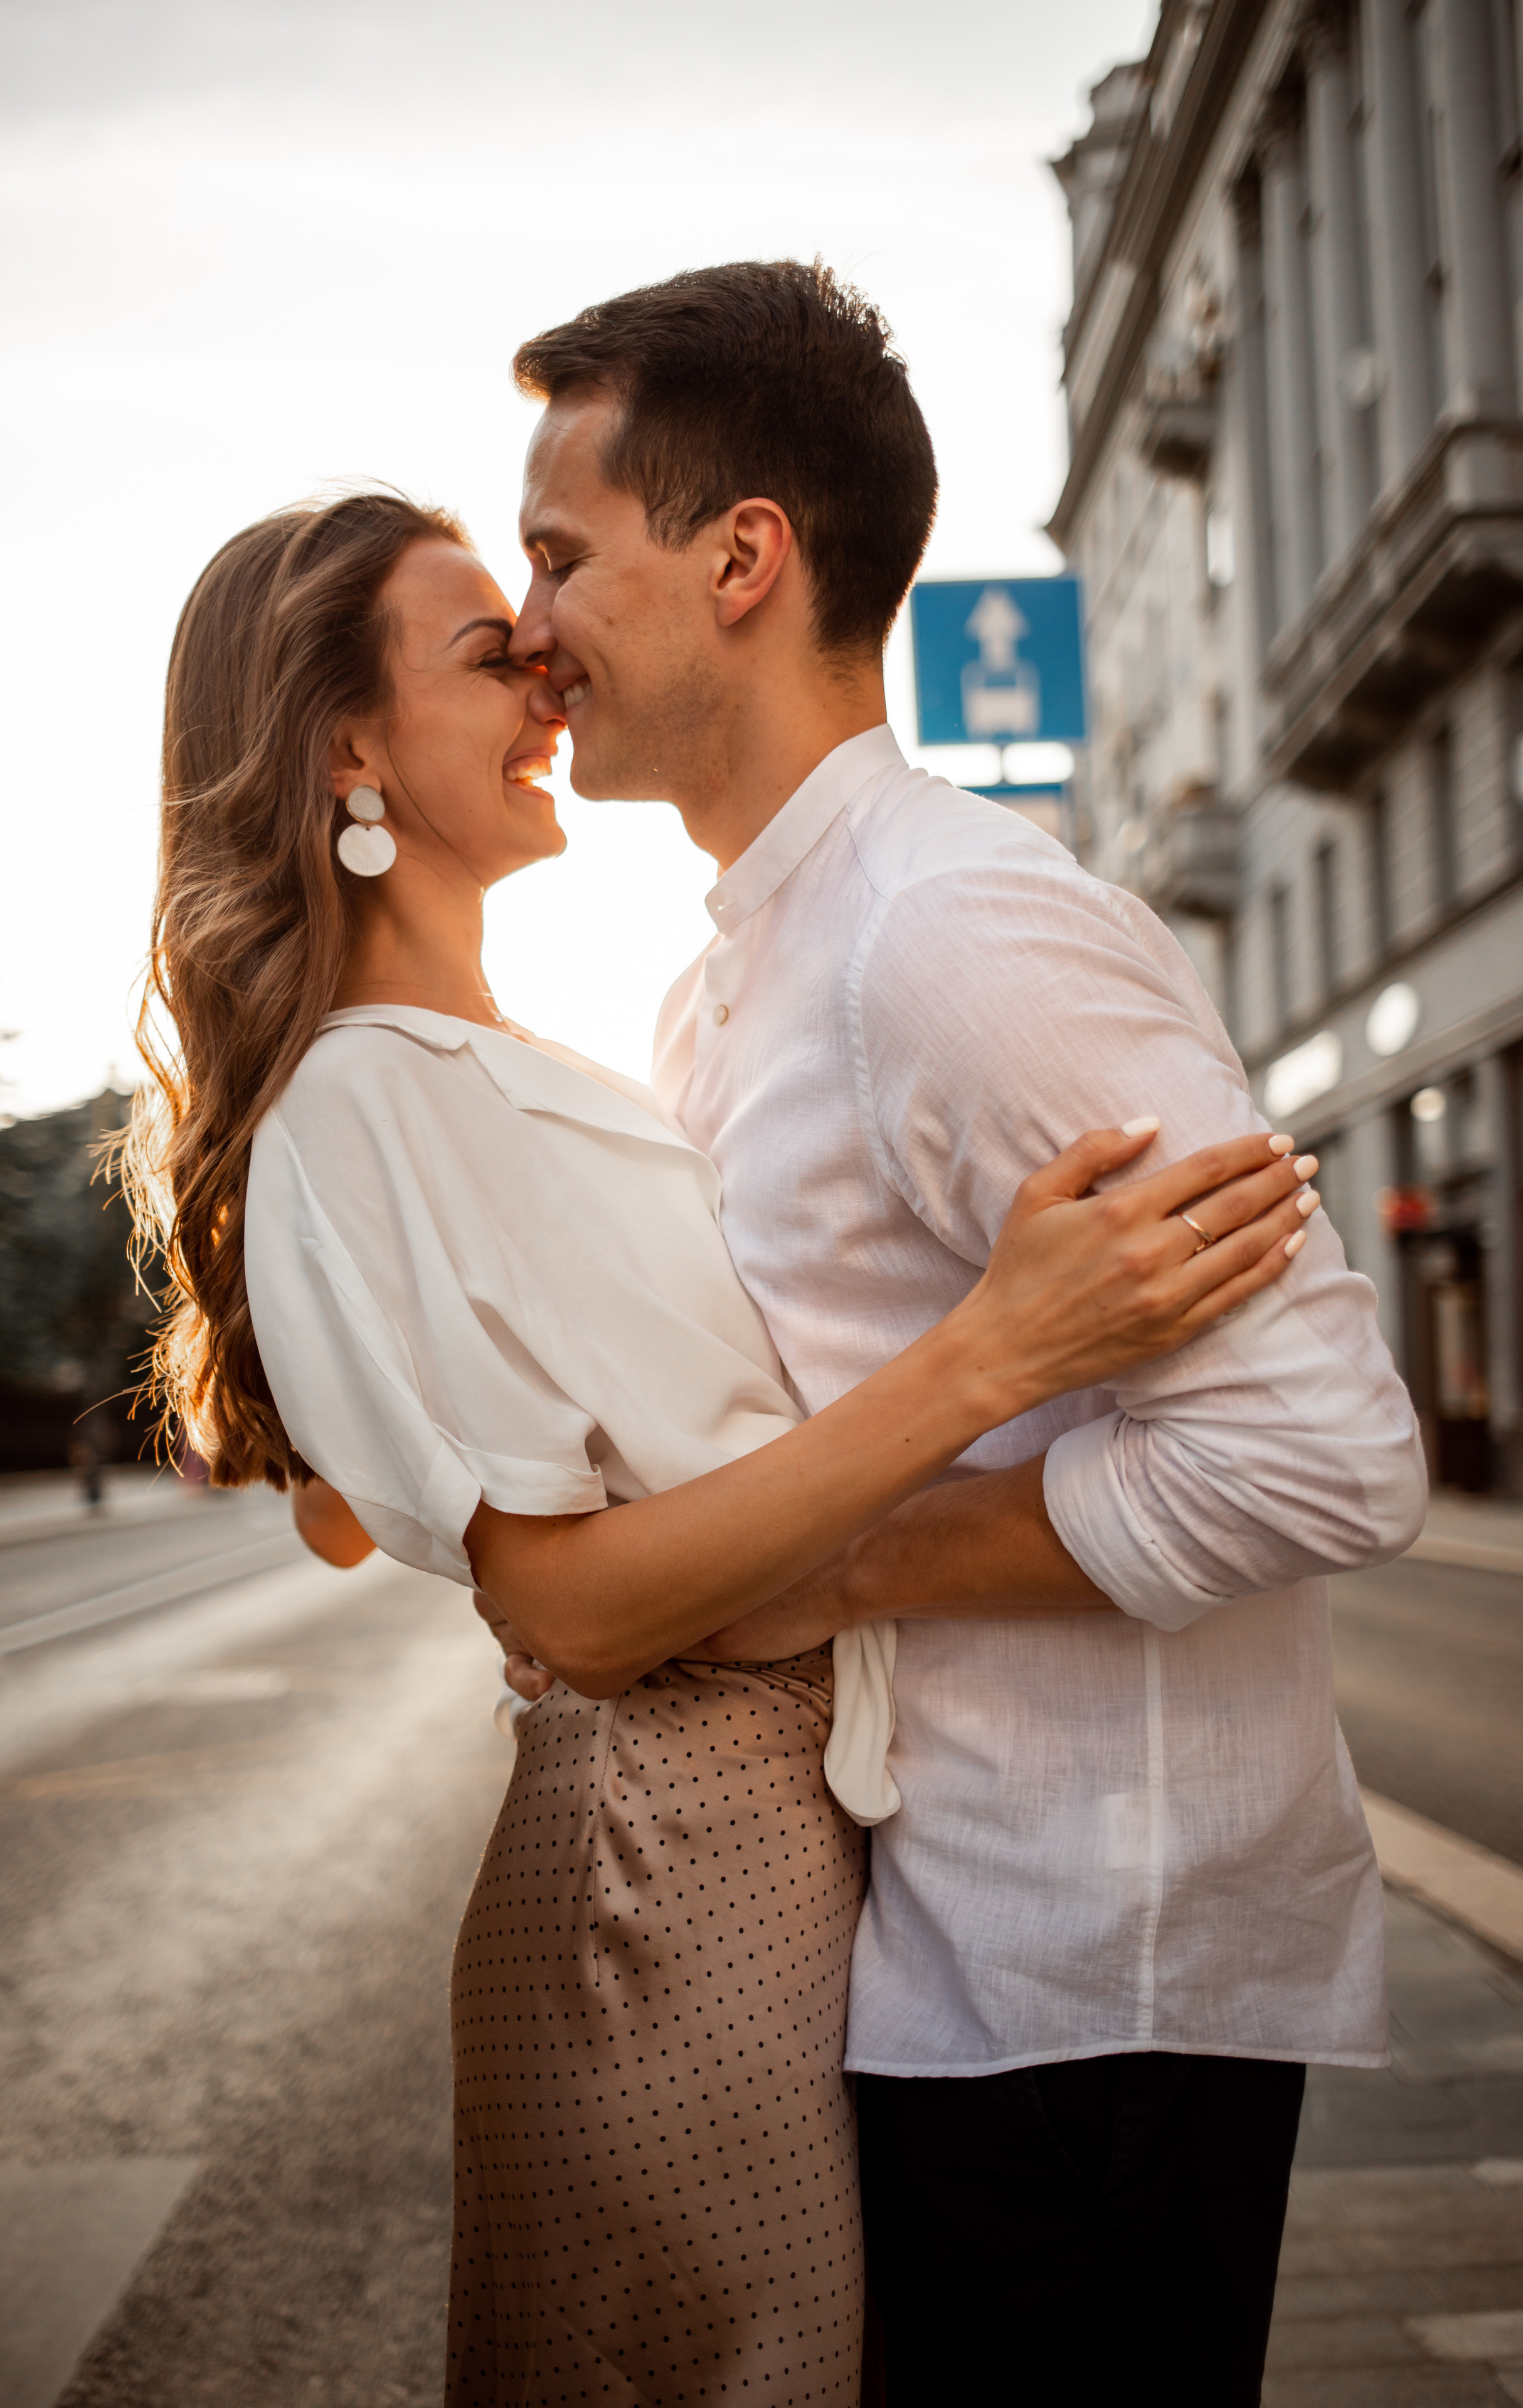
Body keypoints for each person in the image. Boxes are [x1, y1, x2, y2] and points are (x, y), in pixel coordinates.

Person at [124, 487, 1315, 2408]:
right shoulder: (359, 1096)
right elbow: (574, 1610)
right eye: (485, 656)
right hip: (655, 1867)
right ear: (347, 743)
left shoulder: (545, 1066)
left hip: (768, 1841)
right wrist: (1000, 1350)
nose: (544, 683)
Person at [494, 260, 1428, 2407]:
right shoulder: (721, 981)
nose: (530, 619)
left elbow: (1325, 1451)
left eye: (561, 551)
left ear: (743, 559)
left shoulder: (952, 934)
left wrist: (819, 1574)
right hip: (922, 1947)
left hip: (1091, 1970)